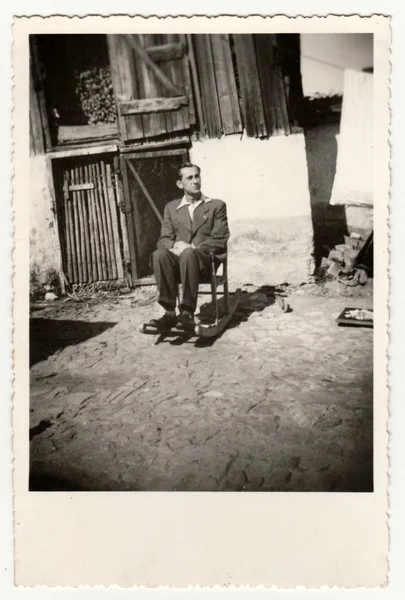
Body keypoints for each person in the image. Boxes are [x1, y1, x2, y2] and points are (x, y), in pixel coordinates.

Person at [149, 163, 230, 331]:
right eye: (190, 178)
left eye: (197, 176)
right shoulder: (172, 208)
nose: (195, 181)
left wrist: (193, 249)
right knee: (159, 254)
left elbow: (219, 238)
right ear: (180, 184)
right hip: (179, 265)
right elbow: (163, 239)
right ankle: (170, 313)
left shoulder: (216, 206)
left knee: (188, 254)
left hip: (205, 264)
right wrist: (175, 244)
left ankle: (187, 313)